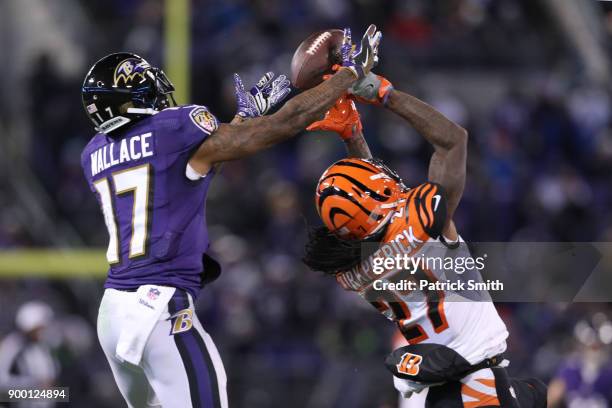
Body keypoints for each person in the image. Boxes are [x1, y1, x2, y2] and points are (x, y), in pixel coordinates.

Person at [80, 26, 381, 408]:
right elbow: (282, 126)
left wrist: (241, 119)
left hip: (113, 313)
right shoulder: (174, 127)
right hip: (158, 307)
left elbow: (183, 174)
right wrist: (348, 74)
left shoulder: (94, 153)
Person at [303, 71, 547, 407]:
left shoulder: (350, 270)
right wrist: (384, 93)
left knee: (536, 393)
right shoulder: (425, 224)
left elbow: (375, 215)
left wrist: (353, 133)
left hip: (438, 392)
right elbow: (452, 140)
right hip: (477, 388)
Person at [0, 301, 58, 408]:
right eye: (40, 328)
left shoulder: (43, 346)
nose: (44, 331)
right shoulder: (12, 346)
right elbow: (2, 383)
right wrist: (35, 384)